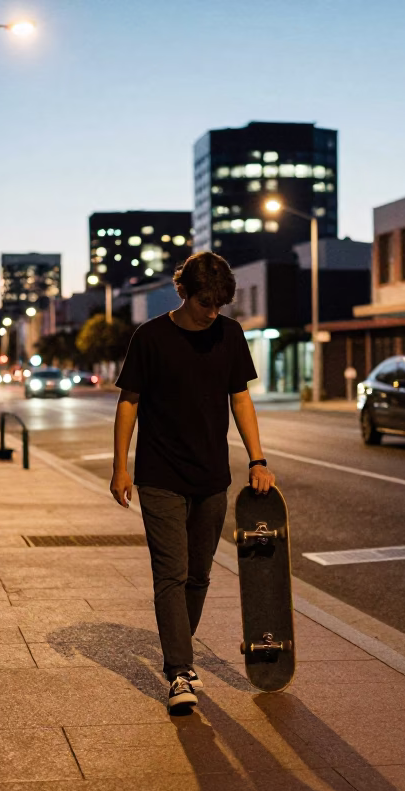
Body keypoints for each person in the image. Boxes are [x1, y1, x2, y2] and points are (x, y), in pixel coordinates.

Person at [110, 252, 276, 715]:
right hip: (160, 475)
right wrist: (120, 467)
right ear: (184, 291)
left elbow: (240, 399)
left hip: (211, 478)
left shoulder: (229, 334)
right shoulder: (151, 337)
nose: (213, 312)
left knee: (199, 576)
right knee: (171, 573)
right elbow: (129, 403)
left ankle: (179, 653)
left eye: (220, 303)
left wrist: (257, 460)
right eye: (206, 302)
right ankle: (180, 670)